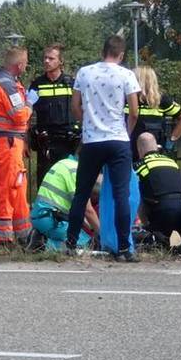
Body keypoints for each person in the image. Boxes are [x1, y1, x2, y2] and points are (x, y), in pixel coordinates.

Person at [65, 35, 142, 261]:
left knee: (82, 193)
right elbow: (134, 112)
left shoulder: (84, 73)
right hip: (118, 140)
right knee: (121, 195)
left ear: (103, 51)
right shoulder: (126, 75)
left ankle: (70, 243)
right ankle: (124, 248)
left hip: (92, 140)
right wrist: (126, 133)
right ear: (121, 54)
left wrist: (87, 123)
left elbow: (75, 106)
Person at [0, 47, 33, 245]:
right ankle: (3, 238)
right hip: (6, 143)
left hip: (3, 141)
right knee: (8, 189)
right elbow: (19, 115)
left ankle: (24, 234)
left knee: (17, 186)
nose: (26, 66)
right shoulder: (7, 84)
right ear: (19, 65)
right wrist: (30, 105)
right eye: (25, 62)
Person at [133, 133, 181, 254]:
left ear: (139, 149)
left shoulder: (139, 166)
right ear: (156, 147)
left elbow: (139, 198)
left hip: (165, 212)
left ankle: (163, 243)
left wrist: (145, 224)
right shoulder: (171, 162)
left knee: (154, 245)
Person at [27, 43, 78, 186]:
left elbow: (82, 108)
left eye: (51, 58)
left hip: (68, 142)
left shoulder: (71, 83)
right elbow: (27, 112)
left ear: (61, 61)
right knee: (45, 181)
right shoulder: (37, 84)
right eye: (45, 58)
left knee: (69, 181)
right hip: (46, 142)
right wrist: (26, 139)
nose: (46, 61)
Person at [30, 152, 98, 251]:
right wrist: (101, 234)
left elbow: (78, 211)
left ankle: (41, 239)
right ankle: (43, 243)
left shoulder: (64, 163)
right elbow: (88, 210)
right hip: (53, 220)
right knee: (88, 245)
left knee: (77, 239)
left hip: (42, 216)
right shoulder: (75, 170)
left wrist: (91, 228)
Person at [127, 66, 181, 154]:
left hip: (153, 150)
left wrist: (171, 141)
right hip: (128, 148)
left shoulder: (161, 100)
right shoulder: (127, 99)